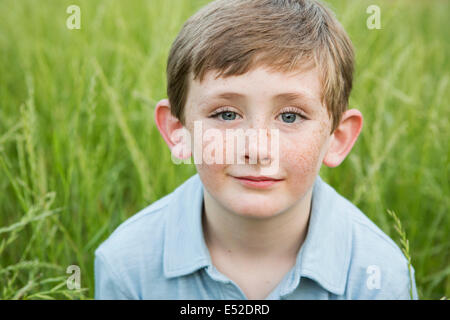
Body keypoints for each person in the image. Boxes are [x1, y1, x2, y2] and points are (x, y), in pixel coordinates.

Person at [95, 0, 418, 299]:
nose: (258, 150)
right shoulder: (126, 265)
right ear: (179, 132)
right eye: (226, 115)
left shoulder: (377, 276)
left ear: (337, 139)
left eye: (290, 116)